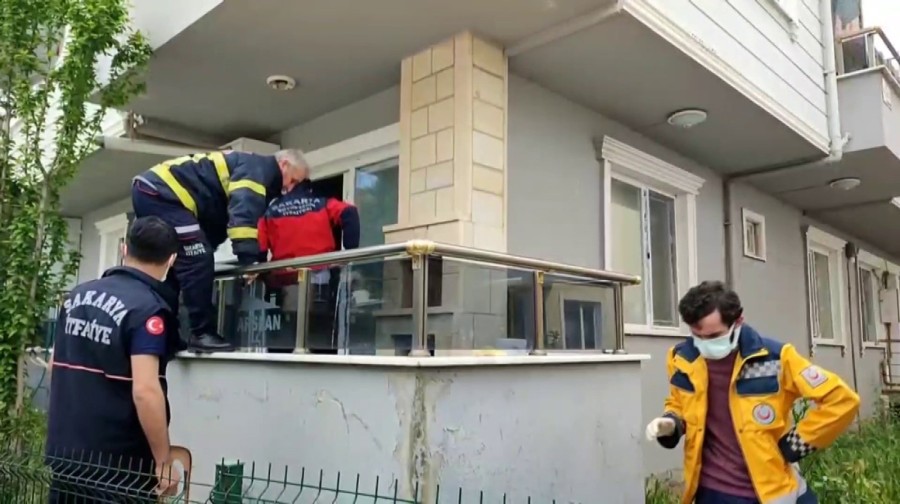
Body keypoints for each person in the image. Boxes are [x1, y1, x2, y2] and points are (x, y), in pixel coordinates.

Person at [645, 281, 860, 504]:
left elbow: (842, 400)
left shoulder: (777, 357)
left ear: (738, 322)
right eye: (696, 335)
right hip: (709, 491)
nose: (703, 344)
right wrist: (670, 422)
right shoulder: (682, 358)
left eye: (713, 336)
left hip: (768, 491)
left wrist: (793, 446)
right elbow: (679, 403)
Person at [45, 217, 185, 502]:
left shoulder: (76, 297)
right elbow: (146, 391)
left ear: (124, 249)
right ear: (171, 260)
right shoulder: (148, 310)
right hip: (119, 468)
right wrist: (163, 461)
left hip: (66, 457)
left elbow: (53, 367)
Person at [131, 149, 309, 352]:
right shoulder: (260, 169)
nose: (290, 188)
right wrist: (249, 260)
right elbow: (243, 214)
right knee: (198, 258)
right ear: (284, 164)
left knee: (177, 268)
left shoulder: (255, 171)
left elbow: (222, 221)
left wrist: (256, 257)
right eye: (293, 180)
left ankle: (167, 334)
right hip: (162, 193)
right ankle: (201, 333)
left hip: (153, 191)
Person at [251, 167, 360, 352]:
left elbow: (259, 247)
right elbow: (349, 212)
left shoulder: (270, 210)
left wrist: (259, 268)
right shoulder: (321, 202)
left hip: (284, 285)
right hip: (321, 283)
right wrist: (348, 254)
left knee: (284, 341)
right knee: (320, 339)